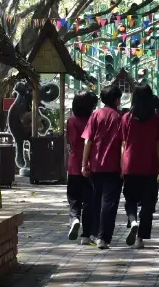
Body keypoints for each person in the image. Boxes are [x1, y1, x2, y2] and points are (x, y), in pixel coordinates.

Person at [120, 84, 159, 249]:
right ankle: (140, 238)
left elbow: (123, 144)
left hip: (130, 164)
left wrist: (121, 165)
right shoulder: (155, 120)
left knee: (130, 199)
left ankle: (133, 221)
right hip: (149, 166)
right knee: (148, 203)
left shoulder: (127, 118)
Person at [81, 84, 124, 250]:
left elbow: (88, 141)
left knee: (96, 201)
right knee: (109, 203)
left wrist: (84, 163)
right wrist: (123, 166)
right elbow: (123, 144)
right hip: (113, 166)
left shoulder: (95, 115)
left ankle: (93, 233)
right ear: (116, 100)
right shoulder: (119, 117)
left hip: (96, 165)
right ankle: (103, 237)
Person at [67, 91, 97, 244]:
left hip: (73, 164)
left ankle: (74, 218)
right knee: (89, 200)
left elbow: (70, 141)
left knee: (73, 197)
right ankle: (86, 235)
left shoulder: (71, 121)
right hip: (90, 164)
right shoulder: (93, 120)